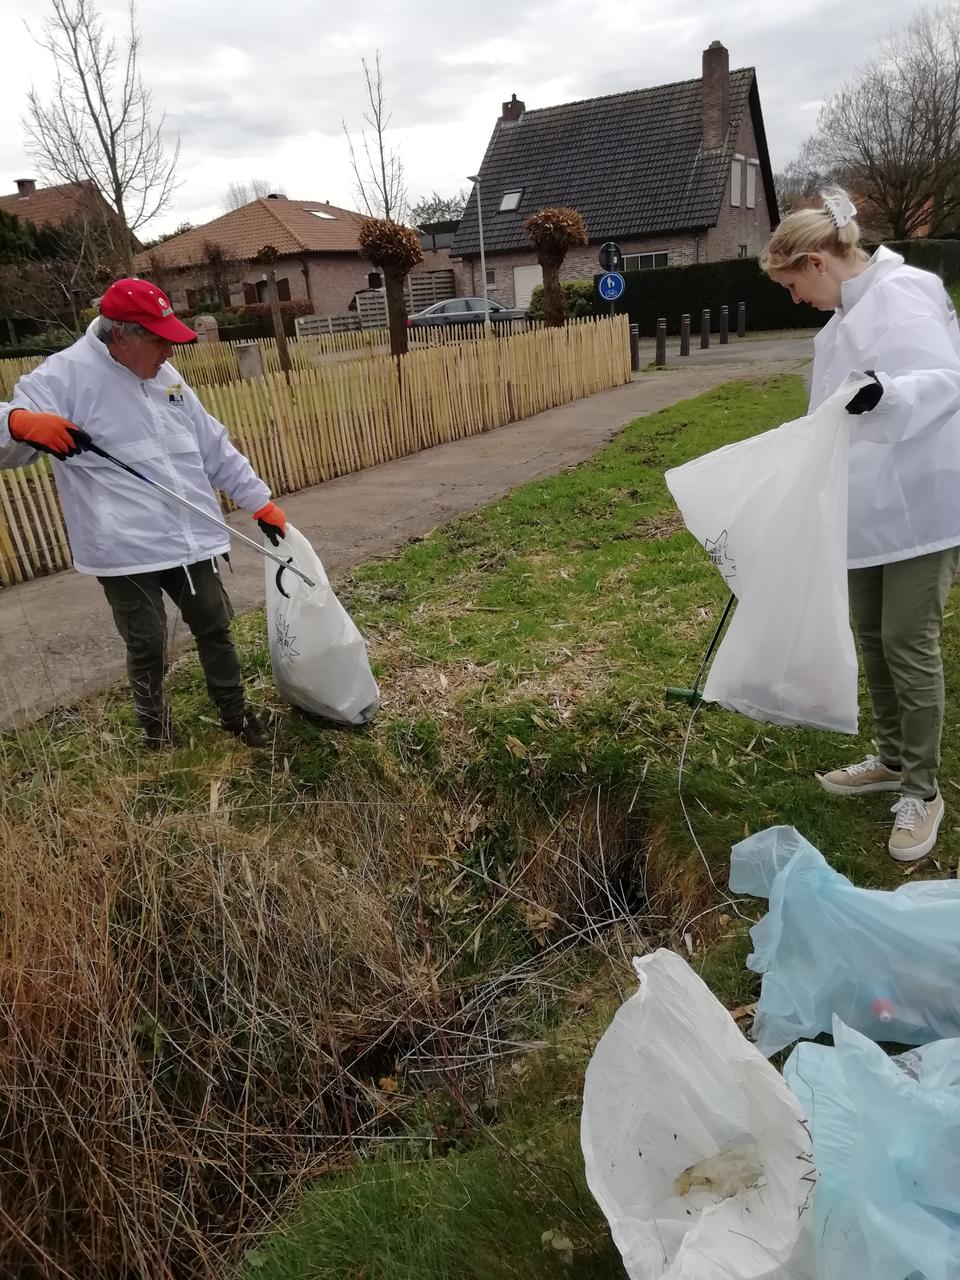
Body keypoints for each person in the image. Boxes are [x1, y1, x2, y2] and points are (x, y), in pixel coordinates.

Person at [0, 277, 288, 750]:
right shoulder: (62, 377)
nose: (170, 353)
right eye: (161, 341)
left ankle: (235, 715)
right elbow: (8, 440)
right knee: (147, 643)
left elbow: (213, 445)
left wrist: (261, 501)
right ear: (122, 335)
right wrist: (19, 422)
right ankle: (157, 734)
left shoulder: (166, 377)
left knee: (215, 626)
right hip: (124, 547)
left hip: (191, 534)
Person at [760, 191, 960, 862]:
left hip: (919, 503)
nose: (795, 300)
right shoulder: (847, 313)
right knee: (872, 633)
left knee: (908, 637)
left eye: (793, 285)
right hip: (865, 505)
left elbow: (946, 379)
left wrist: (890, 394)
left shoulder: (904, 293)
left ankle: (924, 790)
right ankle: (895, 758)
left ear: (817, 261)